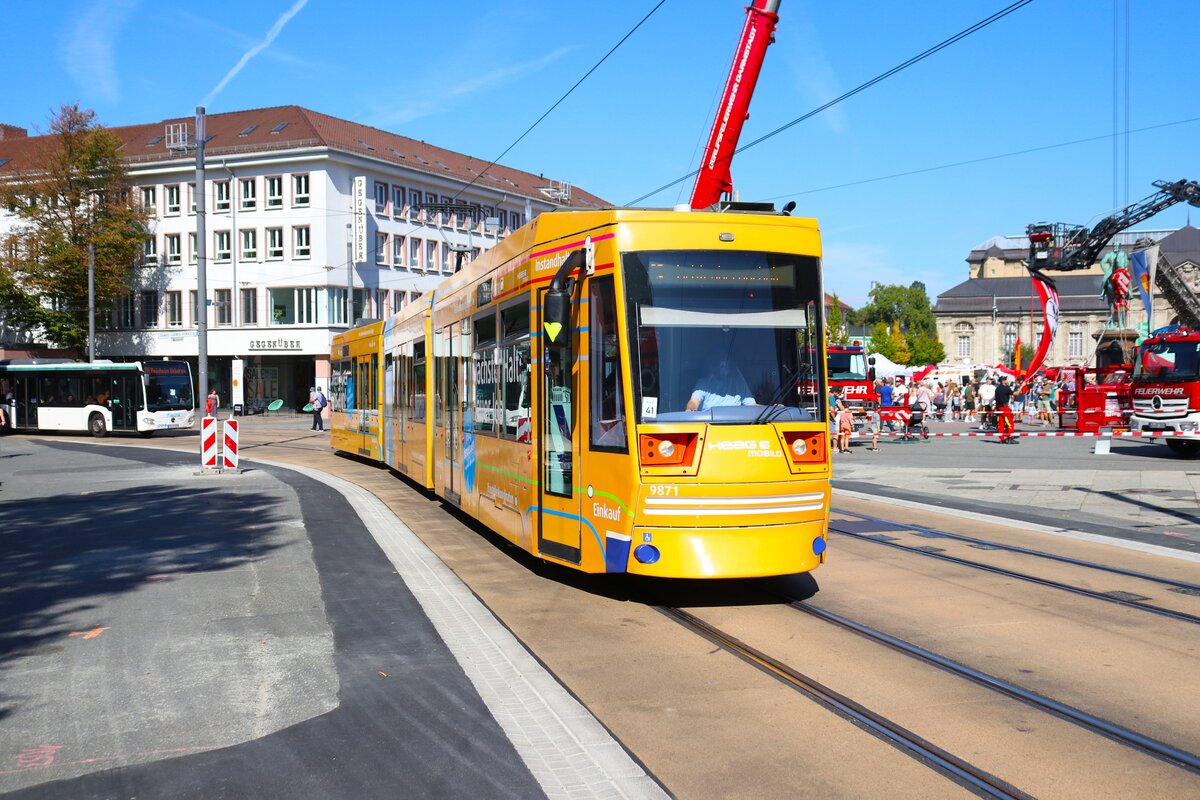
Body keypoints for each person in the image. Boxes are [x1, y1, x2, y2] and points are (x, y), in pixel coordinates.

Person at [686, 360, 757, 411]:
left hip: (736, 427)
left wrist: (767, 411)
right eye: (721, 365)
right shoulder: (704, 384)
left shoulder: (738, 383)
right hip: (708, 426)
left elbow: (752, 405)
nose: (723, 368)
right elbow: (694, 401)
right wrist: (690, 409)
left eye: (727, 365)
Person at [994, 375, 1016, 444]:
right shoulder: (1005, 388)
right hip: (1004, 407)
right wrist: (1022, 387)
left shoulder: (997, 388)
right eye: (1005, 379)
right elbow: (1016, 393)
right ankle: (1010, 437)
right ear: (1003, 381)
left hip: (999, 407)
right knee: (1010, 422)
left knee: (1001, 423)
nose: (1006, 380)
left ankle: (1001, 438)